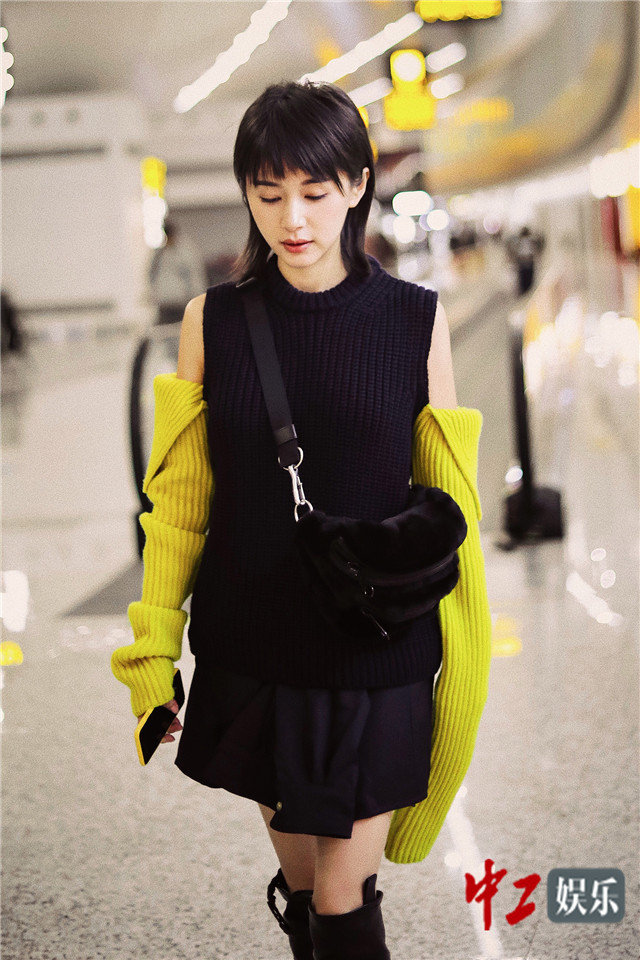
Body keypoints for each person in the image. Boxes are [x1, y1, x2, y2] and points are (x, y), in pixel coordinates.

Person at [112, 80, 491, 959]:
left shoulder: (414, 320)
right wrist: (153, 648)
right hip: (253, 648)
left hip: (375, 652)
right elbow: (180, 507)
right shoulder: (212, 322)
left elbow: (451, 510)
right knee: (305, 889)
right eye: (268, 193)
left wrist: (466, 674)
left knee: (344, 894)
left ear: (357, 185)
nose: (293, 219)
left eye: (316, 193)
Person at [148, 219, 208, 325]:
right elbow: (152, 275)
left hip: (181, 303)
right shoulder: (160, 253)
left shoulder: (185, 252)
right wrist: (154, 294)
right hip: (165, 304)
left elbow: (193, 276)